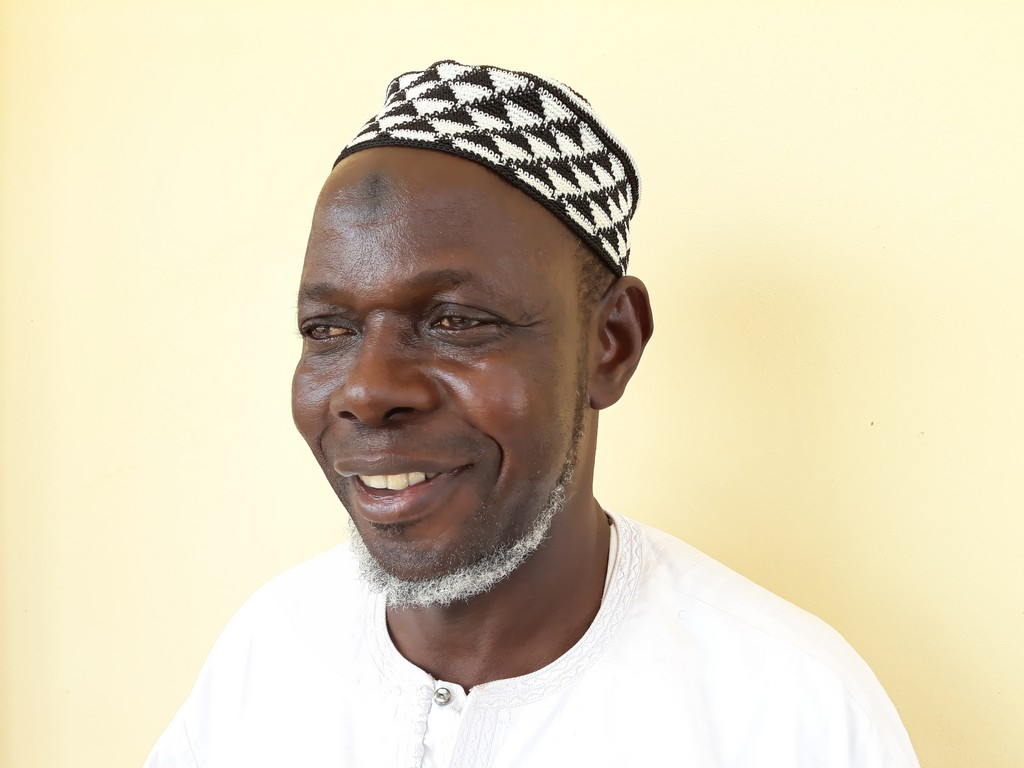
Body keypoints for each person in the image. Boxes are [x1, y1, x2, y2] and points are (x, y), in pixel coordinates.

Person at [145, 60, 919, 767]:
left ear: (609, 345)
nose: (366, 391)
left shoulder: (789, 712)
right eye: (327, 330)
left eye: (456, 321)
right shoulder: (271, 653)